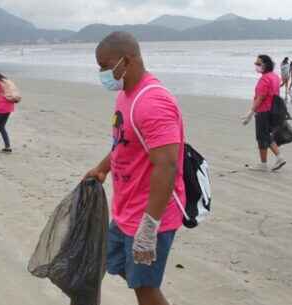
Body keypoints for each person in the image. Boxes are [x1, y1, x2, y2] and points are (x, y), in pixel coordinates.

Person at [84, 31, 185, 305]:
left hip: (150, 216)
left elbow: (167, 165)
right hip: (126, 210)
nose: (102, 73)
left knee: (146, 288)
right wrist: (102, 168)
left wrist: (149, 228)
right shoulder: (127, 95)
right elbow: (123, 142)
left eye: (105, 66)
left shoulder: (153, 102)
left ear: (126, 61)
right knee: (99, 266)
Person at [242, 55, 286, 172]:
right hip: (273, 110)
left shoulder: (265, 79)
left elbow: (260, 97)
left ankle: (275, 159)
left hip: (263, 110)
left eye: (259, 63)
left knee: (263, 136)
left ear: (266, 64)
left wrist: (250, 113)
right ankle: (266, 162)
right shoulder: (275, 76)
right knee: (264, 136)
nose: (256, 66)